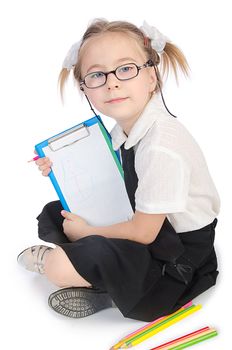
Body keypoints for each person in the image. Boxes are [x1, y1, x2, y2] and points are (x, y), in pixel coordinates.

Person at [17, 19, 220, 322]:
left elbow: (143, 231)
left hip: (176, 257)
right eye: (97, 75)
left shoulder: (161, 144)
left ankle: (100, 286)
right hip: (151, 229)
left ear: (151, 77)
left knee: (60, 264)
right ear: (86, 89)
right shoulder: (127, 129)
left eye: (126, 69)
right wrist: (59, 169)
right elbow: (111, 178)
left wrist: (88, 232)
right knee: (57, 212)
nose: (112, 83)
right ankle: (98, 272)